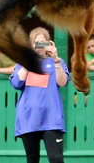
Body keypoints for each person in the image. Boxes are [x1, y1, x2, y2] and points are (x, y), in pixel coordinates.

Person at [10, 27, 70, 163]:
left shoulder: (57, 62)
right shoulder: (23, 63)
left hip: (51, 120)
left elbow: (62, 82)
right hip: (29, 119)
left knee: (56, 159)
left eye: (43, 43)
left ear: (49, 43)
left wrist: (56, 60)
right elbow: (16, 83)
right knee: (32, 159)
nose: (39, 46)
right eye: (36, 43)